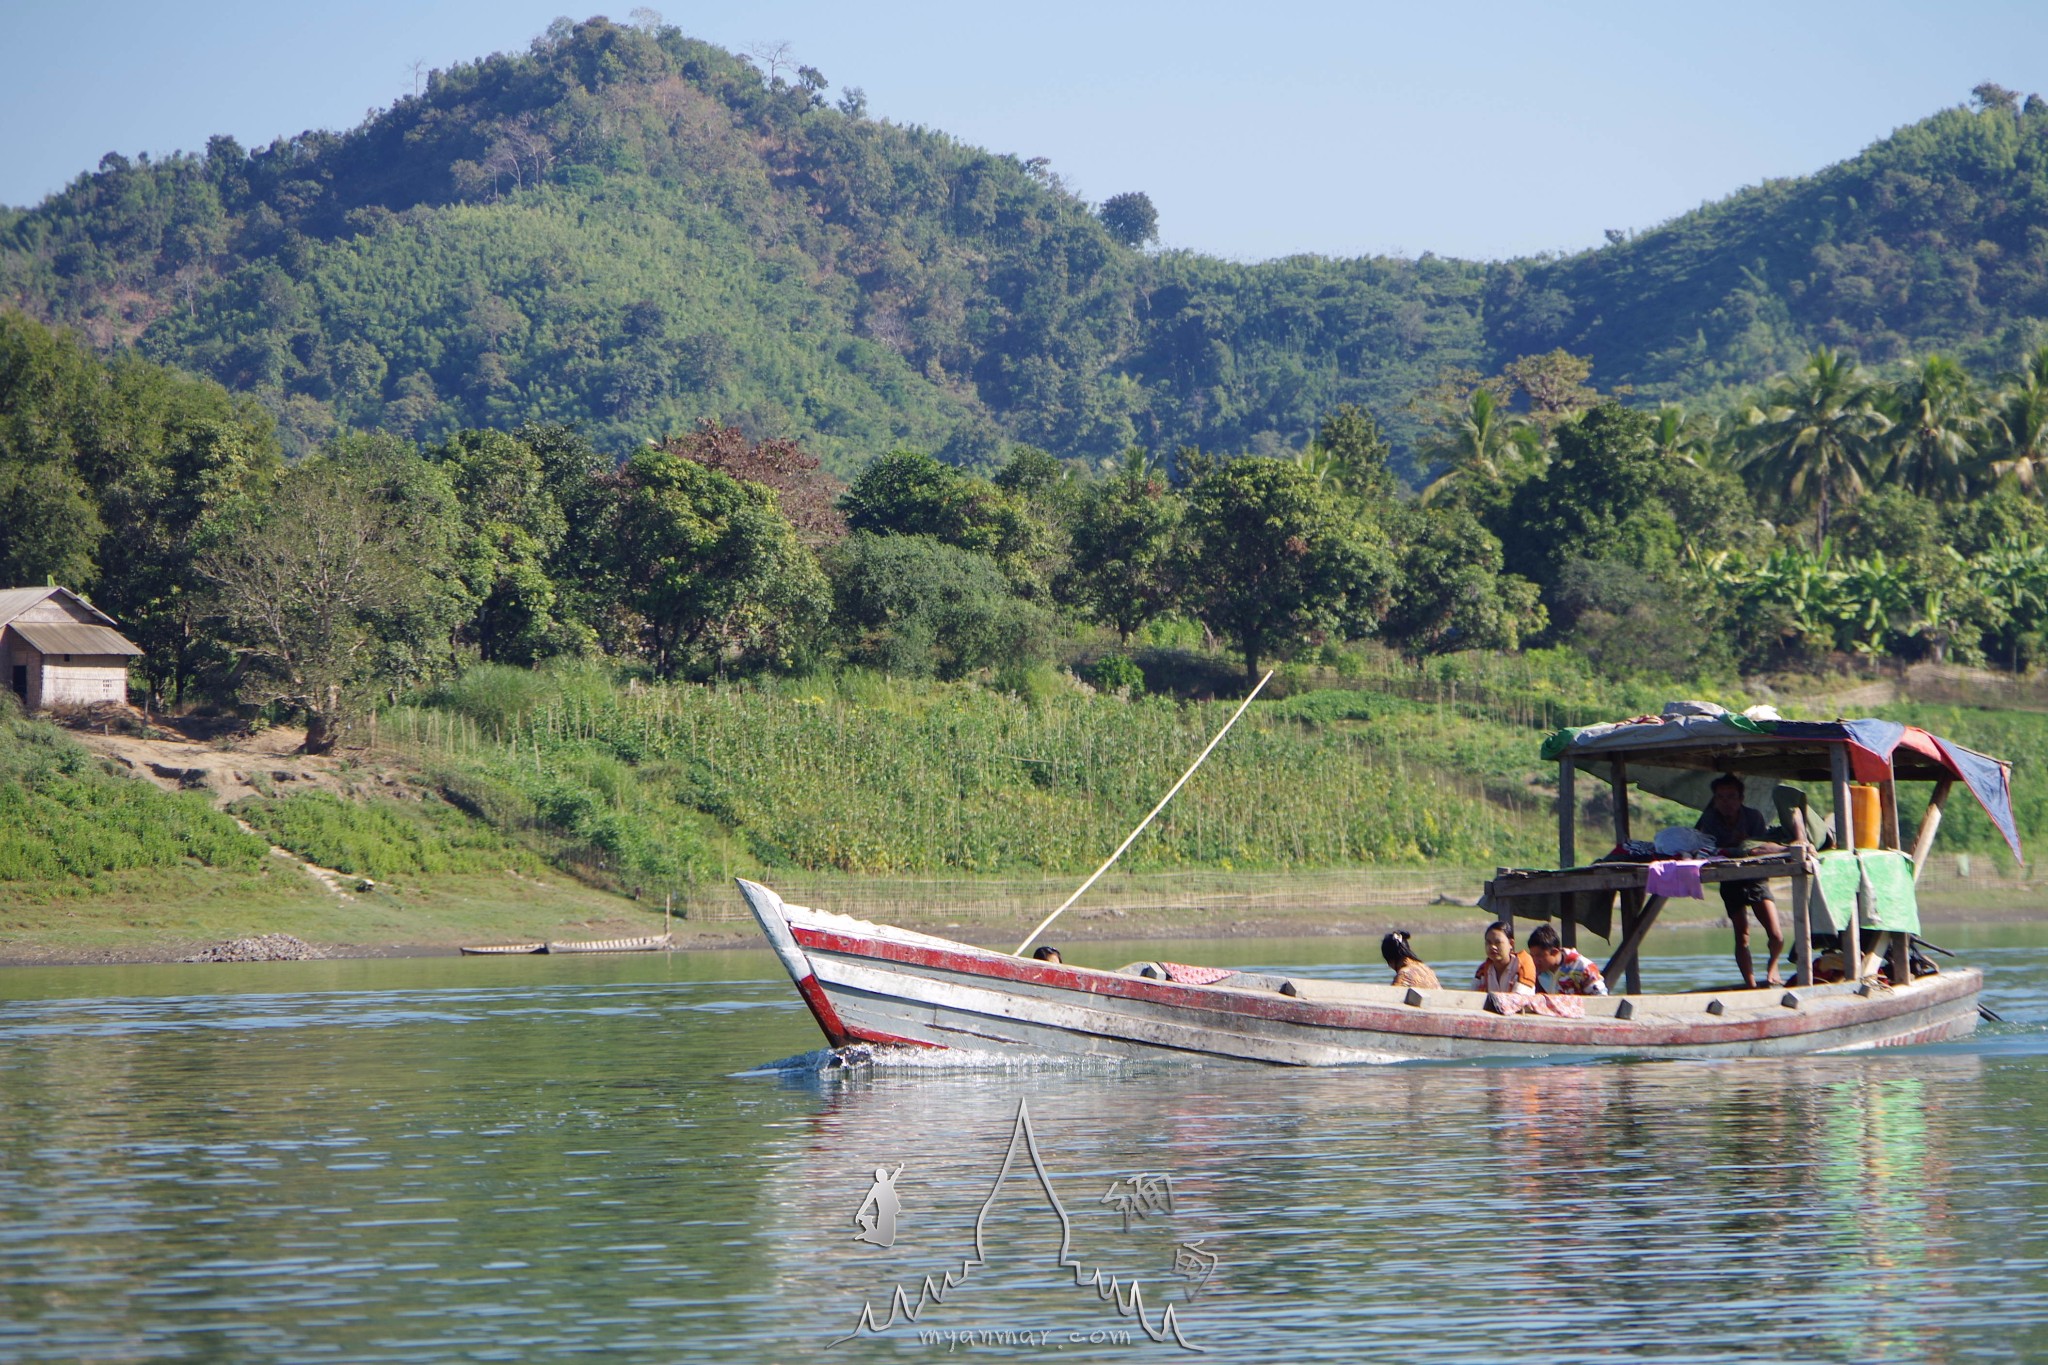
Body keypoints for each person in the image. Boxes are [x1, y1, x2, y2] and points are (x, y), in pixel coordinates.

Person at [1695, 772, 1787, 988]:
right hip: (1730, 880)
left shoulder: (1753, 817)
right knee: (1742, 935)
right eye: (1720, 797)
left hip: (1755, 879)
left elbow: (1761, 847)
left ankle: (1772, 967)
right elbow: (1703, 844)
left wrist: (1743, 844)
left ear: (1740, 798)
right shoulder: (1709, 819)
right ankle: (1750, 982)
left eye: (1731, 796)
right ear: (1715, 799)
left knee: (1776, 934)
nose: (1725, 802)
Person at [1526, 923, 1607, 996]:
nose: (1535, 961)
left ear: (1554, 952)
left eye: (1539, 956)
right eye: (1532, 956)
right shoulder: (1536, 972)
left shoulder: (1583, 967)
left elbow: (1601, 997)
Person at [1472, 922, 1537, 995]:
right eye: (1489, 943)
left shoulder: (1524, 966)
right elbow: (1472, 998)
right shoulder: (1482, 971)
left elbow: (1520, 1002)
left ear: (1511, 944)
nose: (1492, 947)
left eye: (1498, 942)